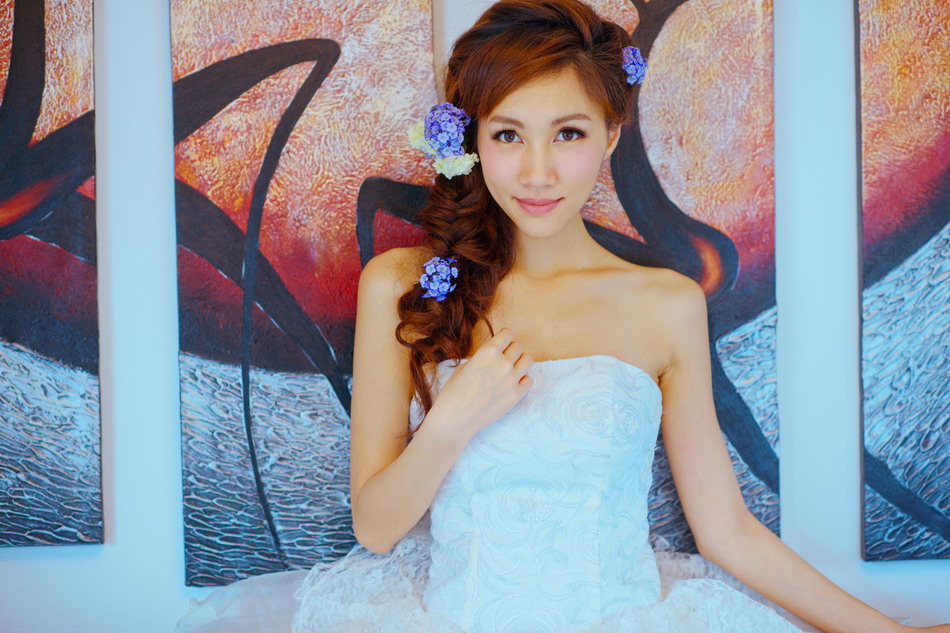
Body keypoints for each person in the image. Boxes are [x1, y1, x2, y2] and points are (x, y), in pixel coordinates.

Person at [175, 1, 950, 632]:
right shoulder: (401, 286)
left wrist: (887, 632)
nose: (538, 171)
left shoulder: (665, 303)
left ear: (610, 136)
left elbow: (727, 531)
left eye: (568, 134)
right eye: (509, 135)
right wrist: (453, 418)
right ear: (473, 140)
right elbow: (376, 527)